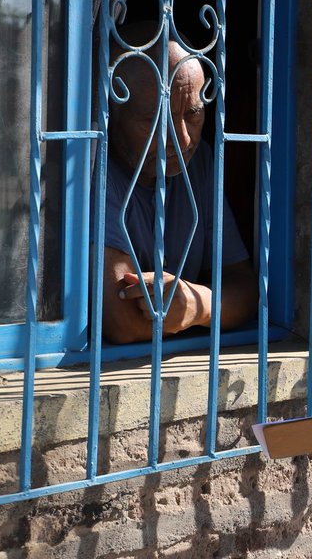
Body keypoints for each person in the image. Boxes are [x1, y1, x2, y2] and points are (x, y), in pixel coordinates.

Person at [100, 21, 258, 344]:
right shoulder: (97, 171)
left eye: (193, 114)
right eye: (155, 119)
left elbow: (246, 289)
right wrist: (212, 308)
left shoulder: (199, 163)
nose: (183, 139)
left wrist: (196, 306)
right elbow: (121, 321)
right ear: (112, 116)